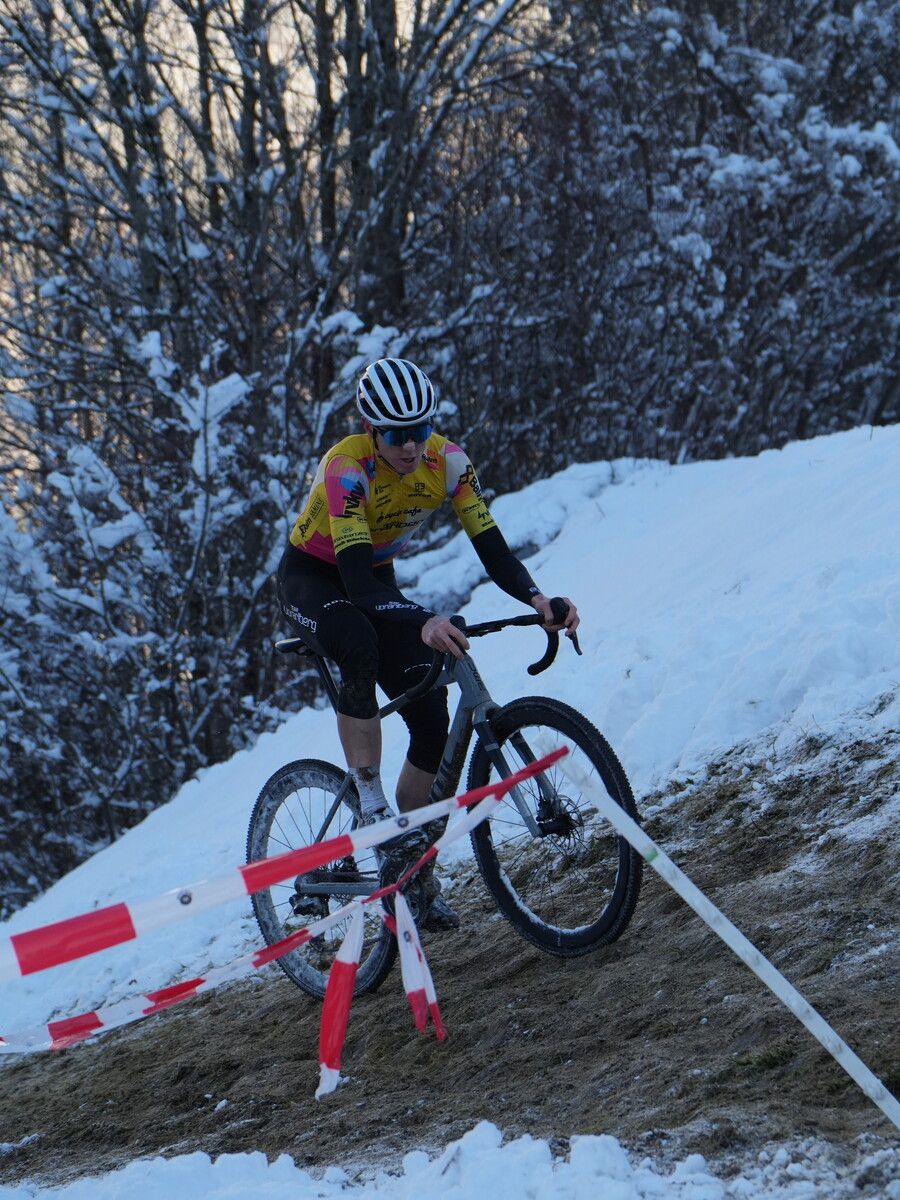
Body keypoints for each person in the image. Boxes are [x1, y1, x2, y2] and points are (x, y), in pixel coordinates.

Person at [277, 357, 579, 928]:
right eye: (397, 435)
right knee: (358, 642)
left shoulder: (449, 463)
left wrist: (539, 599)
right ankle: (370, 802)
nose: (412, 446)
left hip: (375, 579)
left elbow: (493, 550)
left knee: (432, 714)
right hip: (316, 578)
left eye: (421, 429)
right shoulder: (346, 467)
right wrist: (422, 620)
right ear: (371, 430)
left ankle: (411, 869)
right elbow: (356, 583)